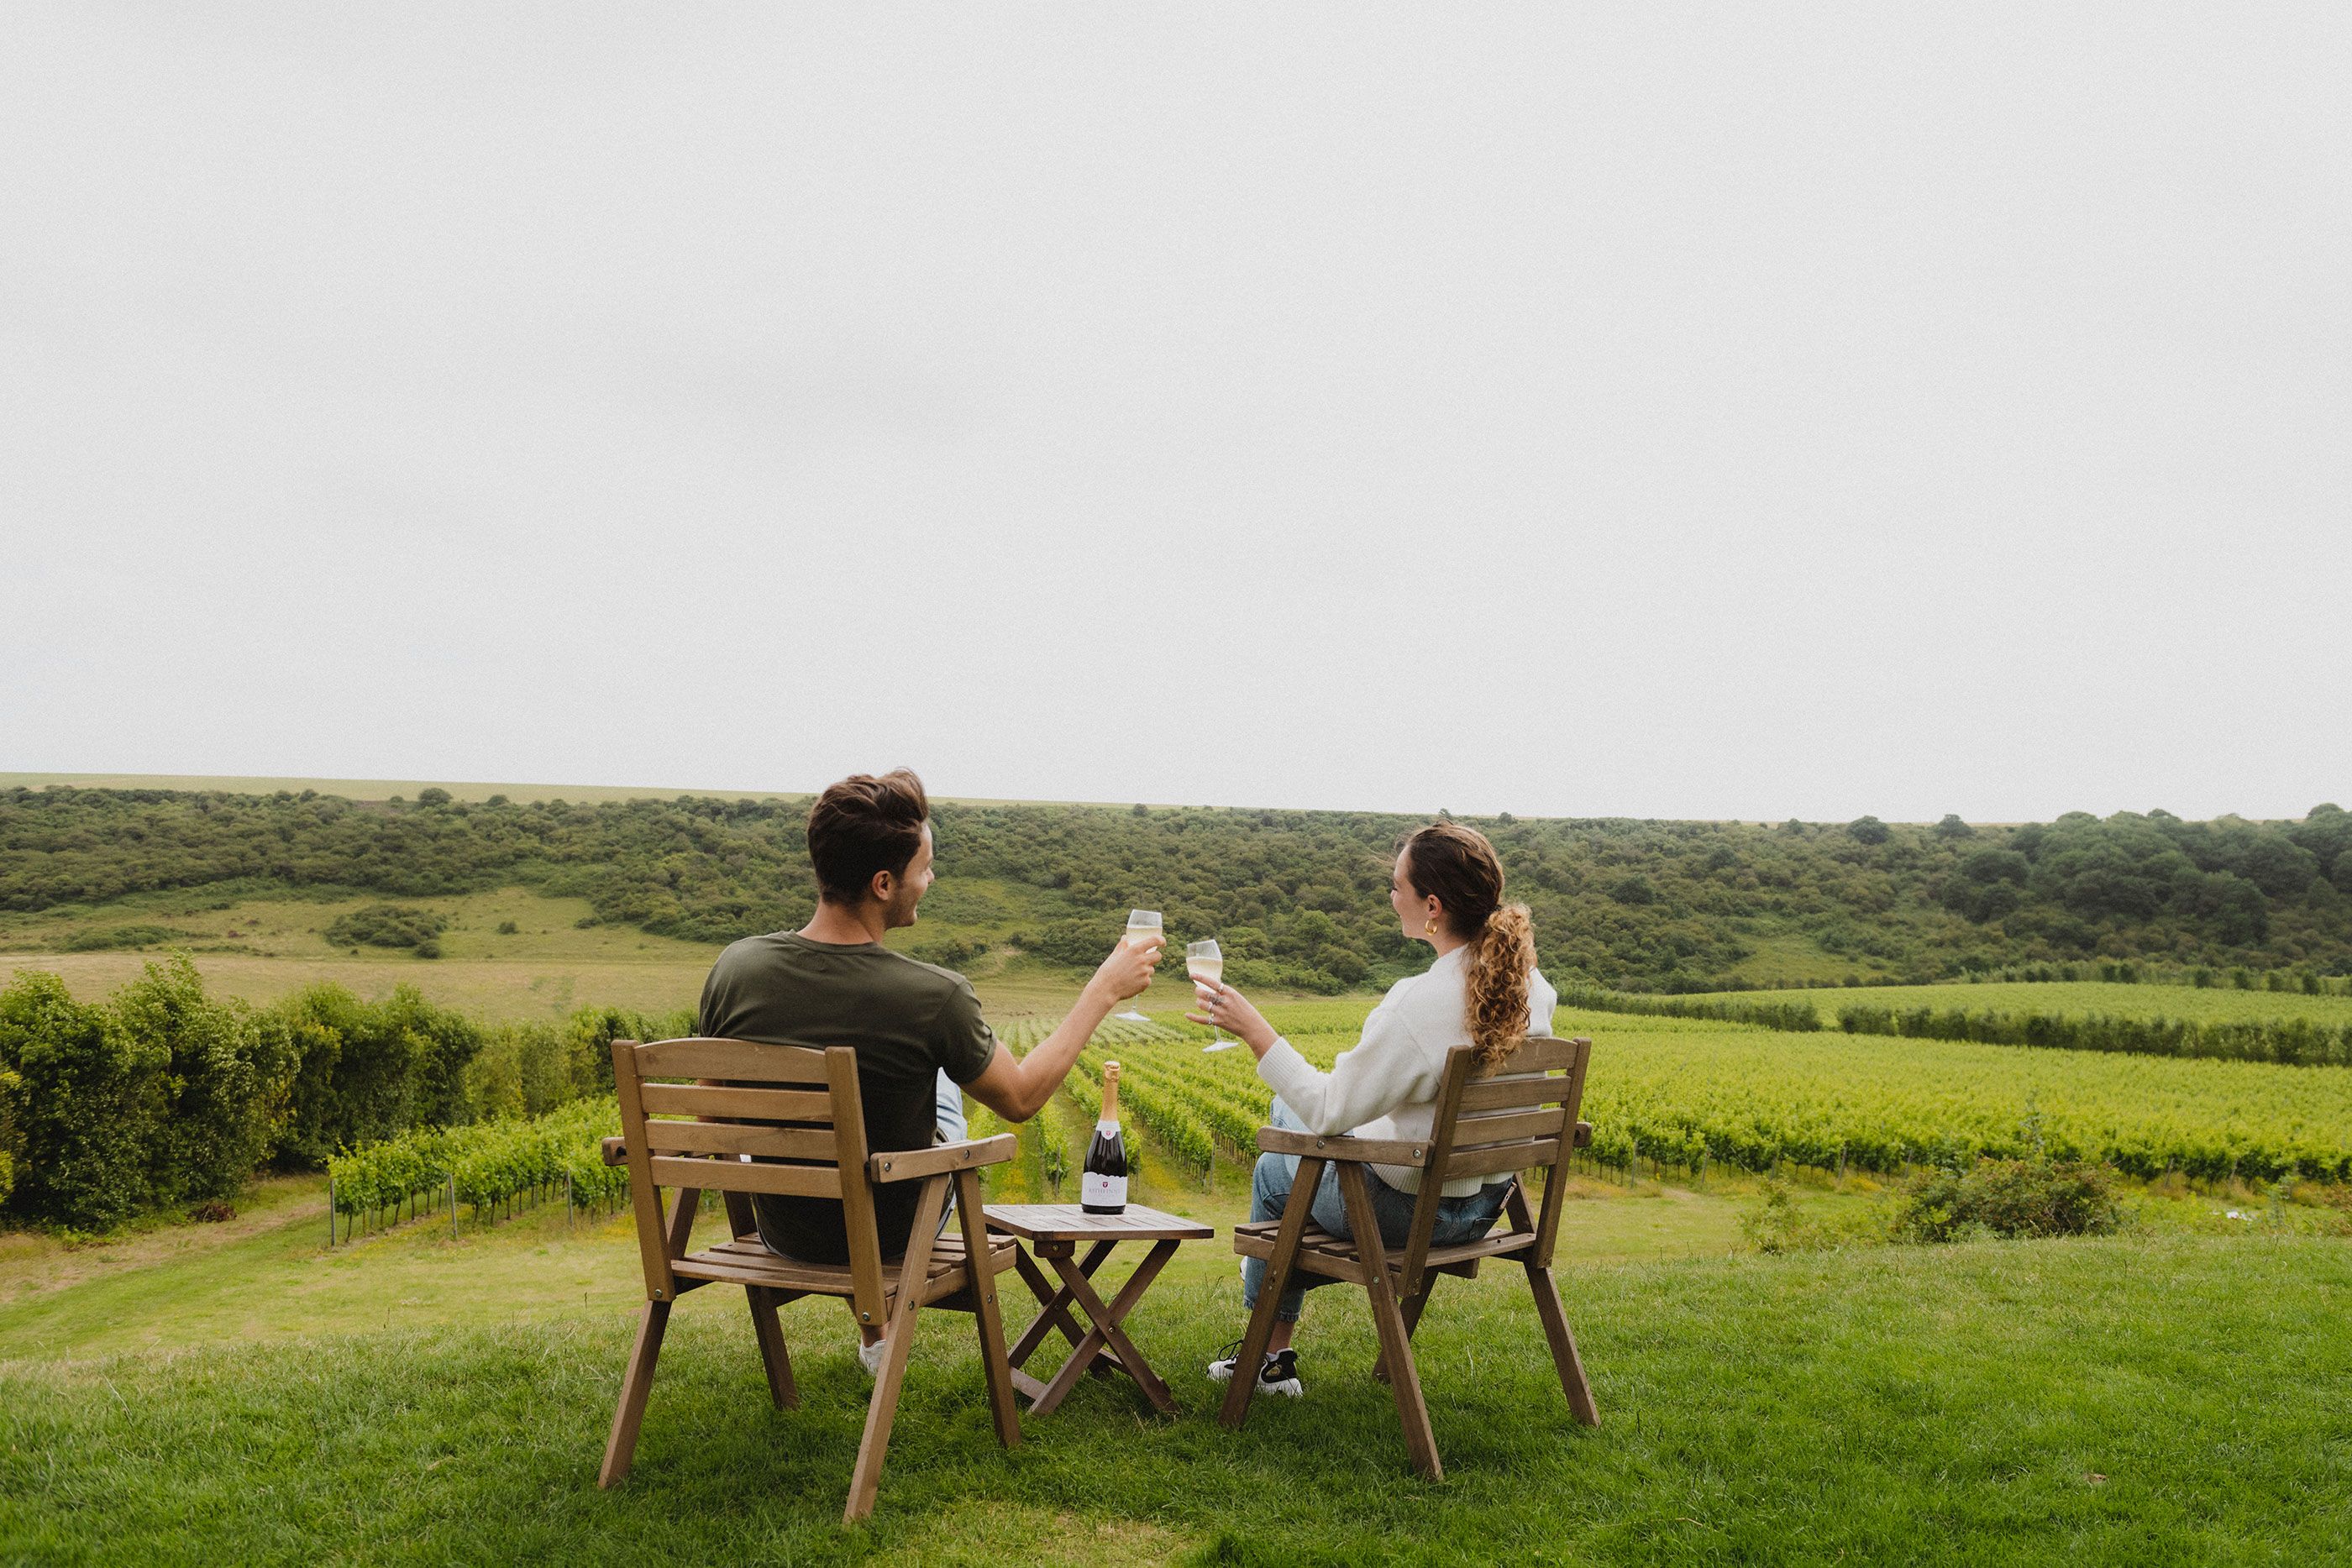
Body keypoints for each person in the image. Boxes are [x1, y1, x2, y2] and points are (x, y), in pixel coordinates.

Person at [697, 768, 1163, 1372]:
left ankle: (875, 1334)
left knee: (911, 1073)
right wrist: (1101, 991)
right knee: (941, 1076)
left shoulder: (736, 968)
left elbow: (710, 1114)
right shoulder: (931, 995)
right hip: (891, 1233)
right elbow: (1021, 1099)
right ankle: (878, 1330)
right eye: (925, 866)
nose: (932, 878)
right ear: (884, 882)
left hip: (784, 1226)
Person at [1186, 819, 1557, 1398]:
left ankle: (1270, 1350)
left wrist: (1255, 1030)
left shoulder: (1419, 1003)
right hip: (1488, 1206)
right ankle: (1272, 1337)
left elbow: (1329, 1109)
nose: (1391, 896)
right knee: (1298, 1139)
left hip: (1408, 1217)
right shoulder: (1531, 984)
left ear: (1431, 905)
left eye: (1397, 885)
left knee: (1282, 1145)